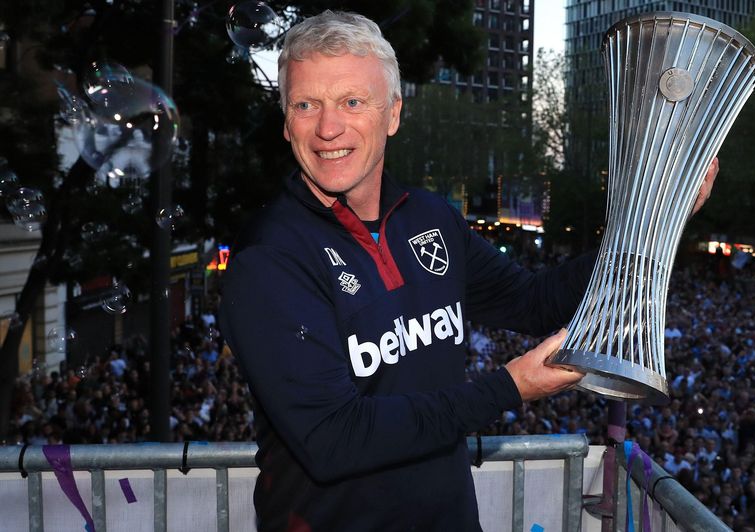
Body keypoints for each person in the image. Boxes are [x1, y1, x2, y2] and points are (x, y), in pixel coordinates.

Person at [220, 10, 717, 531]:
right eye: (306, 104)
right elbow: (332, 439)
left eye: (351, 102)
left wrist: (649, 221)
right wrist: (509, 387)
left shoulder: (430, 217)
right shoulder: (268, 256)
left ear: (392, 113)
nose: (328, 127)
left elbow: (534, 302)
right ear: (286, 122)